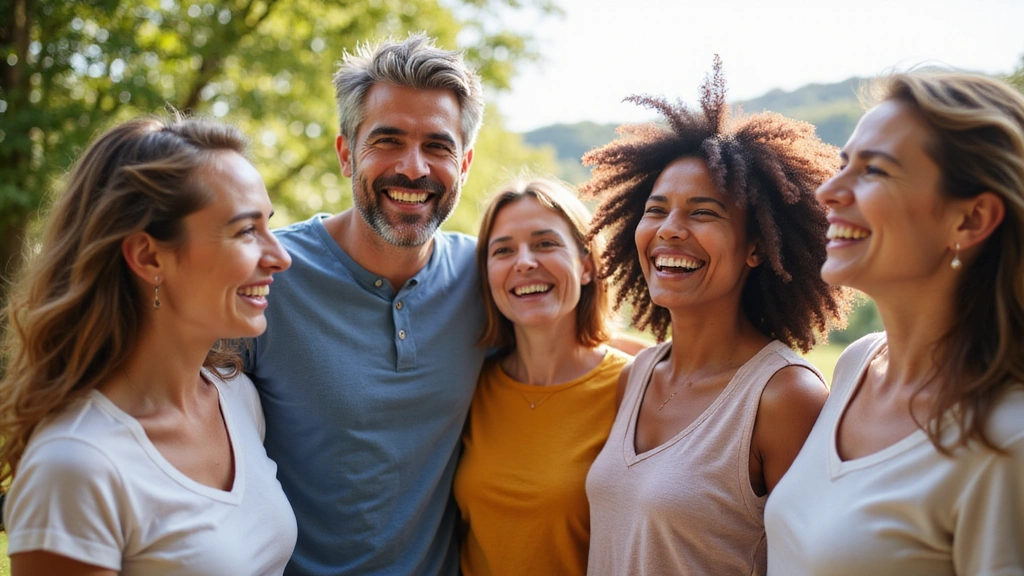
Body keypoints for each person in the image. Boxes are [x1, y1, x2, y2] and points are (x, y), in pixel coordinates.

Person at [580, 58, 851, 575]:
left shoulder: (784, 396)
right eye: (656, 210)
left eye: (703, 212)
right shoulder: (638, 376)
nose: (669, 230)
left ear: (755, 248)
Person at [0, 117, 296, 575]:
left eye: (268, 226)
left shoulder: (236, 398)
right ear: (148, 256)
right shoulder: (76, 464)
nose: (280, 256)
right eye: (245, 231)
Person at [244, 34, 486, 575]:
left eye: (438, 146)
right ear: (346, 154)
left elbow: (586, 348)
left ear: (465, 164)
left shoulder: (486, 278)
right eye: (389, 140)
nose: (414, 168)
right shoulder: (266, 276)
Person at [765, 71, 1024, 574]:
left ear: (970, 220)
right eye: (843, 165)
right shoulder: (857, 365)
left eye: (874, 171)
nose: (828, 192)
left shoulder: (1006, 439)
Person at [453, 178, 631, 575]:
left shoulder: (635, 387)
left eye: (545, 243)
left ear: (586, 265)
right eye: (503, 250)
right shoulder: (470, 385)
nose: (524, 262)